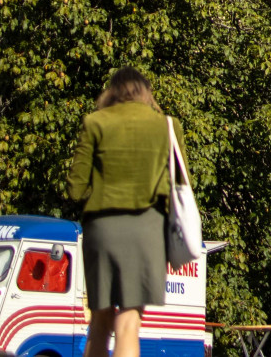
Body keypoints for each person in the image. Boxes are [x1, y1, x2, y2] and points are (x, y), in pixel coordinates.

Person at [66, 68, 180, 357]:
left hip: (101, 229)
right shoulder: (167, 126)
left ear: (112, 92)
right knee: (129, 322)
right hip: (147, 229)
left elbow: (75, 190)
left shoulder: (94, 122)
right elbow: (178, 187)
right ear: (146, 93)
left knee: (100, 322)